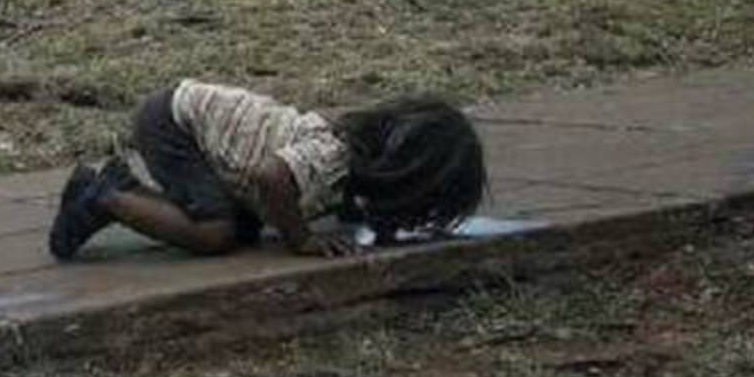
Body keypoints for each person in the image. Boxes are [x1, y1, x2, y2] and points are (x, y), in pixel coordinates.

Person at [48, 80, 487, 261]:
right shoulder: (331, 157)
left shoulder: (348, 172)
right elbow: (270, 177)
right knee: (216, 234)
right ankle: (104, 194)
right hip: (175, 124)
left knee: (243, 232)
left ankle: (119, 189)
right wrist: (302, 239)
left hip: (196, 125)